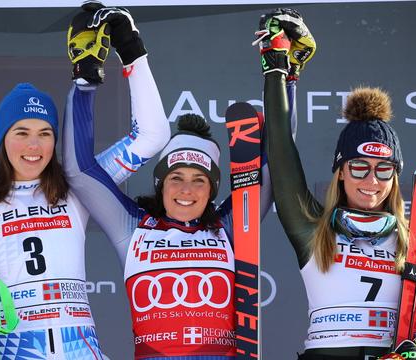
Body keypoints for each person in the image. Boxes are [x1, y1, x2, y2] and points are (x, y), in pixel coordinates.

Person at [0, 4, 170, 359]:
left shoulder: (77, 187)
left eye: (45, 133)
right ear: (3, 139)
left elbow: (153, 136)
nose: (33, 146)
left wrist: (132, 54)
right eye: (21, 132)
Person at [62, 6, 290, 359]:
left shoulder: (228, 229)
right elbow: (79, 172)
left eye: (200, 180)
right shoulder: (133, 226)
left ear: (213, 190)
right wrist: (85, 83)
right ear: (160, 184)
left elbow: (278, 166)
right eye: (176, 178)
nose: (186, 190)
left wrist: (283, 75)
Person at [259, 9, 416, 360]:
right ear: (339, 171)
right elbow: (280, 153)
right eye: (359, 168)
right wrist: (277, 69)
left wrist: (415, 353)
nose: (371, 181)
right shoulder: (314, 228)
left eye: (384, 170)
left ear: (395, 178)